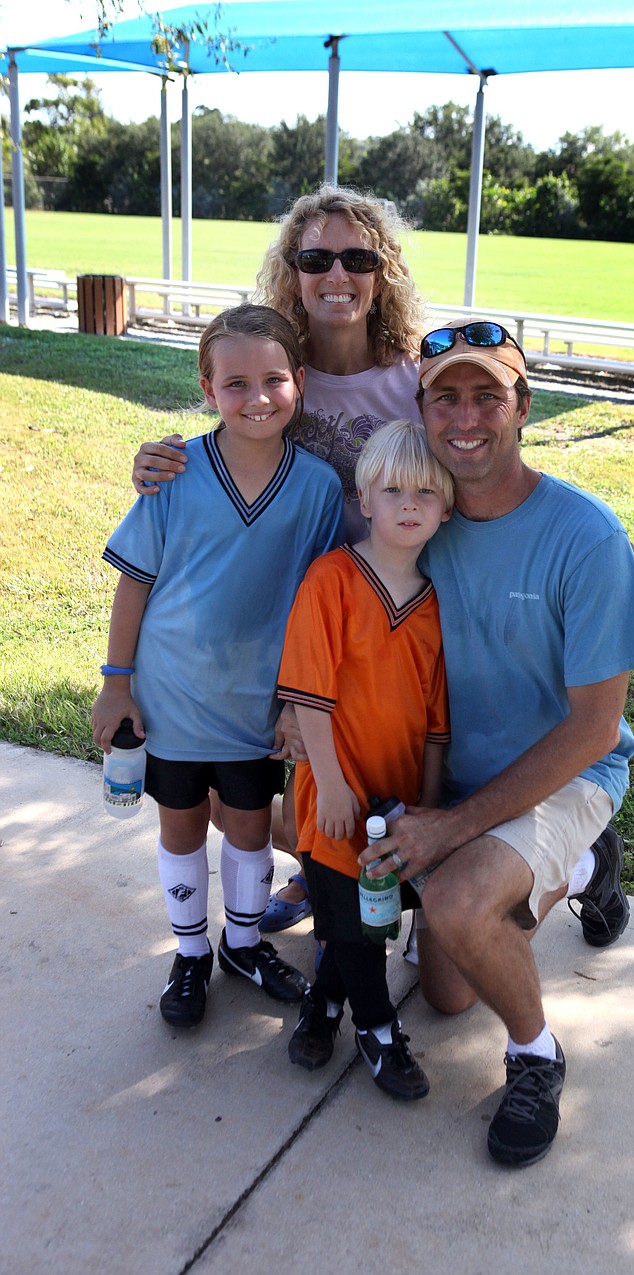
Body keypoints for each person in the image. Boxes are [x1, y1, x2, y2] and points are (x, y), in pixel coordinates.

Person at [350, 319, 634, 1167]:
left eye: (489, 395)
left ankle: (535, 1054)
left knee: (456, 904)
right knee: (449, 993)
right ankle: (590, 870)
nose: (466, 416)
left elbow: (596, 726)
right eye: (445, 396)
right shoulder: (420, 517)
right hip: (466, 771)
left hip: (572, 769)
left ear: (524, 406)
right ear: (420, 409)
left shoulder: (586, 537)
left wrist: (451, 829)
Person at [130, 186, 427, 933]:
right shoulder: (276, 368)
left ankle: (403, 886)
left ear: (381, 270)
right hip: (301, 618)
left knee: (382, 764)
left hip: (391, 603)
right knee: (288, 776)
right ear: (292, 270)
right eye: (316, 256)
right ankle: (317, 875)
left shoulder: (414, 379)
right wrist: (154, 460)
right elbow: (225, 436)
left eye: (357, 257)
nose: (337, 273)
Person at [92, 304, 345, 1029]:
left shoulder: (320, 487)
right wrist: (117, 683)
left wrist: (298, 701)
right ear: (207, 387)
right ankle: (190, 951)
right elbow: (135, 578)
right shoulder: (175, 471)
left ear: (299, 381)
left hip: (256, 702)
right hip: (170, 697)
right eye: (235, 383)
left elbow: (316, 601)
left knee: (246, 825)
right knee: (180, 825)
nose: (256, 397)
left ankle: (242, 942)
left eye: (273, 379)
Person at [275, 419, 453, 1100]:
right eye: (393, 489)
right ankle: (378, 1030)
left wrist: (430, 810)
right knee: (349, 920)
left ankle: (322, 1005)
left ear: (445, 506)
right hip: (334, 791)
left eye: (426, 493)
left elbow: (436, 727)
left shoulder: (437, 606)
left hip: (399, 798)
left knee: (374, 912)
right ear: (364, 497)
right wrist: (335, 783)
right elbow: (310, 698)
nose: (409, 504)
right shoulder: (332, 580)